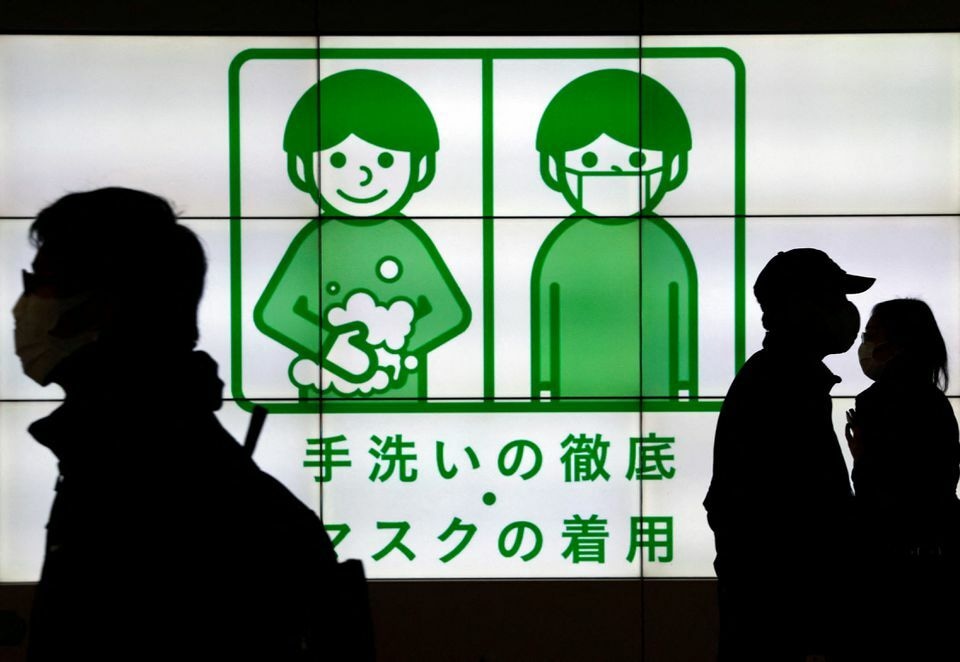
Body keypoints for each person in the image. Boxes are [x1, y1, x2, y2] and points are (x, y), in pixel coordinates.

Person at [13, 188, 359, 661]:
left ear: (103, 306)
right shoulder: (140, 451)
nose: (25, 305)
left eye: (43, 285)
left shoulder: (141, 473)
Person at [255, 69, 471, 400]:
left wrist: (396, 348)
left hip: (403, 395)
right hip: (324, 388)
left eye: (386, 159)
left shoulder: (406, 239)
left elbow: (449, 312)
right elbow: (275, 312)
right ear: (301, 169)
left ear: (421, 167)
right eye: (337, 159)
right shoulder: (315, 238)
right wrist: (332, 343)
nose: (363, 174)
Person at [703, 248, 874, 661]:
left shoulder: (782, 377)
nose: (848, 313)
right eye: (836, 300)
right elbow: (803, 511)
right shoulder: (782, 385)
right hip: (782, 616)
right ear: (801, 308)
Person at [531, 70, 697, 400]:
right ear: (554, 169)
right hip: (574, 388)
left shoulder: (662, 244)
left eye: (637, 159)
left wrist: (682, 385)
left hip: (655, 389)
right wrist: (544, 385)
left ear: (673, 168)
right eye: (589, 159)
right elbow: (548, 318)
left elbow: (679, 317)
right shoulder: (563, 245)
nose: (613, 172)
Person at [846, 299, 960, 661]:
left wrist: (862, 462)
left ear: (900, 344)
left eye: (872, 335)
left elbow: (882, 496)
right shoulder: (935, 403)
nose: (864, 345)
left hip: (892, 575)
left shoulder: (882, 403)